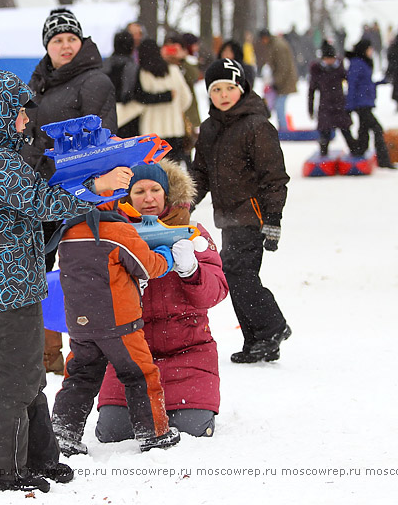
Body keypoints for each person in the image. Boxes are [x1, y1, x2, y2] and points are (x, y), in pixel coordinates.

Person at [0, 68, 132, 492]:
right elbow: (40, 202)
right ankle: (3, 469)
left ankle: (41, 457)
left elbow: (32, 195)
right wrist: (97, 185)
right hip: (7, 286)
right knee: (17, 378)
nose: (25, 120)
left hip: (1, 284)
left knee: (29, 373)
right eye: (17, 113)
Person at [95, 160, 229, 440]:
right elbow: (92, 294)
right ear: (126, 198)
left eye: (155, 189)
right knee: (112, 433)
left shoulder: (192, 234)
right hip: (130, 356)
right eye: (139, 191)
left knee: (193, 431)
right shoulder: (113, 235)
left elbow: (216, 292)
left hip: (189, 353)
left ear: (167, 193)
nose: (148, 198)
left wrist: (192, 271)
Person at [48, 183, 184, 456]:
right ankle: (154, 433)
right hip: (119, 324)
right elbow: (147, 266)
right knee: (140, 374)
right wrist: (167, 256)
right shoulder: (118, 230)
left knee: (80, 377)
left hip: (80, 325)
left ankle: (63, 433)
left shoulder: (68, 231)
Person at [23, 7, 118, 374]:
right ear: (47, 46)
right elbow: (29, 134)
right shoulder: (38, 81)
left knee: (78, 271)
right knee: (39, 271)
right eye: (57, 40)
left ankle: (86, 353)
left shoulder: (95, 81)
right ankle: (46, 355)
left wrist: (73, 176)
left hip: (78, 189)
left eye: (71, 39)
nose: (65, 46)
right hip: (39, 188)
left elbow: (99, 138)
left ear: (82, 43)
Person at [192, 58, 291, 364]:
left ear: (242, 88)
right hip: (228, 217)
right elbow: (200, 174)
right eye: (216, 89)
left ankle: (273, 326)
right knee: (236, 275)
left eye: (230, 88)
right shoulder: (210, 129)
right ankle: (258, 341)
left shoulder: (256, 126)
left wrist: (273, 219)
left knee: (238, 274)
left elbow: (274, 177)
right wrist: (185, 201)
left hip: (253, 215)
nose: (223, 95)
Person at [117, 38, 193, 169]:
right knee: (174, 173)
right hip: (175, 130)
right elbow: (186, 98)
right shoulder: (174, 70)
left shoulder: (143, 73)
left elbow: (141, 99)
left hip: (151, 133)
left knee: (155, 173)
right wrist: (174, 108)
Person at [345, 38, 395, 168]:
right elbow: (352, 85)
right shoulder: (357, 63)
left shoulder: (363, 62)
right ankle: (383, 160)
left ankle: (359, 152)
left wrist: (380, 82)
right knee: (377, 129)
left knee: (363, 130)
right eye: (369, 48)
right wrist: (349, 105)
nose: (371, 51)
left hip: (365, 102)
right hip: (361, 104)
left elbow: (366, 83)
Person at [307, 41, 357, 156]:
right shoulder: (317, 70)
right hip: (325, 106)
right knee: (324, 134)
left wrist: (351, 102)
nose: (330, 61)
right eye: (327, 59)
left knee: (346, 131)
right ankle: (323, 157)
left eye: (332, 58)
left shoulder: (339, 67)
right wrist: (310, 108)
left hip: (340, 104)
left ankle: (355, 152)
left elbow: (351, 82)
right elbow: (311, 91)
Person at [258, 29, 298, 131]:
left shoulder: (278, 46)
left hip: (284, 82)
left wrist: (276, 82)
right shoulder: (274, 44)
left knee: (279, 106)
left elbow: (283, 67)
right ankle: (283, 129)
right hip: (282, 81)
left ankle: (283, 130)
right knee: (279, 106)